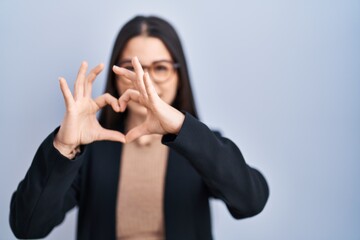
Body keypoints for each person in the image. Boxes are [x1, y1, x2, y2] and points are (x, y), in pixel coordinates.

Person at [10, 16, 269, 240]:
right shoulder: (89, 152)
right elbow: (27, 226)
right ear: (116, 76)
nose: (145, 80)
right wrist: (65, 146)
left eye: (160, 68)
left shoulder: (202, 146)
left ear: (180, 78)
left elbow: (251, 201)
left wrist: (181, 126)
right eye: (131, 68)